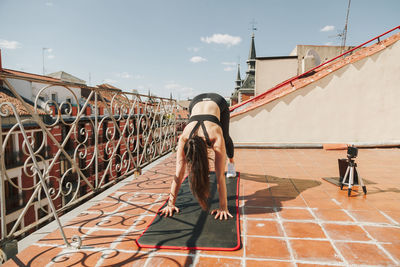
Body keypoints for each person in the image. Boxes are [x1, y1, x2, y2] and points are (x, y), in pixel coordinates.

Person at [160, 93, 236, 220]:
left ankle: (232, 162)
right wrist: (170, 204)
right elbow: (178, 173)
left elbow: (220, 176)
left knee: (226, 137)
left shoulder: (216, 136)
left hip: (219, 102)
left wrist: (223, 207)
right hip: (194, 102)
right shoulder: (184, 138)